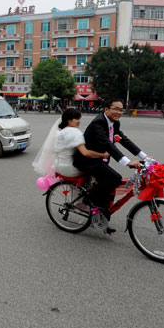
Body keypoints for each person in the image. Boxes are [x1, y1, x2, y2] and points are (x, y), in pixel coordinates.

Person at [72, 98, 149, 234]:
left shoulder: (115, 123)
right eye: (116, 109)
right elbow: (108, 144)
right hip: (85, 159)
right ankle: (89, 199)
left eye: (121, 109)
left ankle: (102, 219)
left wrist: (144, 156)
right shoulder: (98, 123)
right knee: (114, 179)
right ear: (106, 109)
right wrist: (127, 162)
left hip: (99, 158)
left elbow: (123, 139)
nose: (119, 112)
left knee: (111, 186)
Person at [32, 108, 109, 178]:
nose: (79, 121)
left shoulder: (62, 131)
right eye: (77, 118)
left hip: (58, 165)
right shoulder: (73, 132)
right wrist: (102, 155)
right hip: (70, 168)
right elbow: (85, 152)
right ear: (69, 120)